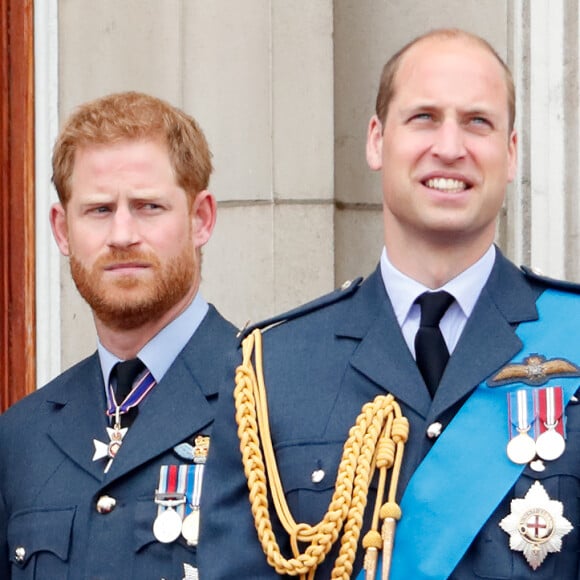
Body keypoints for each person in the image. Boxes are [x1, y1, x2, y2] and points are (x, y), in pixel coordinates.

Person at [200, 28, 580, 579]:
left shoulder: (571, 339)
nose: (450, 147)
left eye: (478, 121)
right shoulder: (274, 370)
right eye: (423, 117)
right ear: (377, 140)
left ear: (512, 152)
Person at [0, 91, 239, 579]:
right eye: (99, 210)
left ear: (201, 219)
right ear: (62, 230)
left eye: (149, 206)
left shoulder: (270, 399)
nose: (123, 234)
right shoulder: (20, 437)